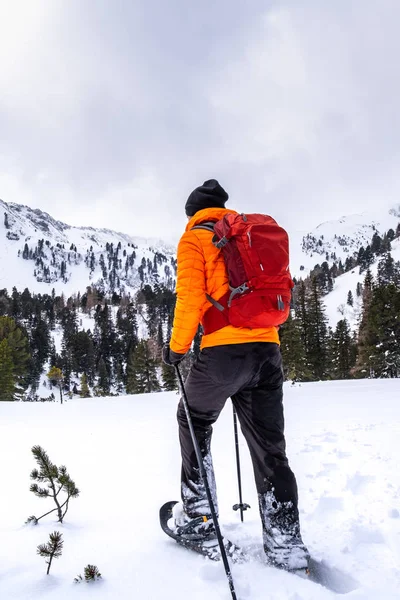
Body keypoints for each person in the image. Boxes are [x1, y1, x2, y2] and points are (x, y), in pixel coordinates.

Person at [162, 179, 309, 571]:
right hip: (267, 351)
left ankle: (199, 516)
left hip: (223, 353)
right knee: (269, 447)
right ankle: (285, 543)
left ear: (193, 212)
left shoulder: (195, 238)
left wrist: (176, 349)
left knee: (193, 417)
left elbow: (190, 297)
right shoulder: (244, 233)